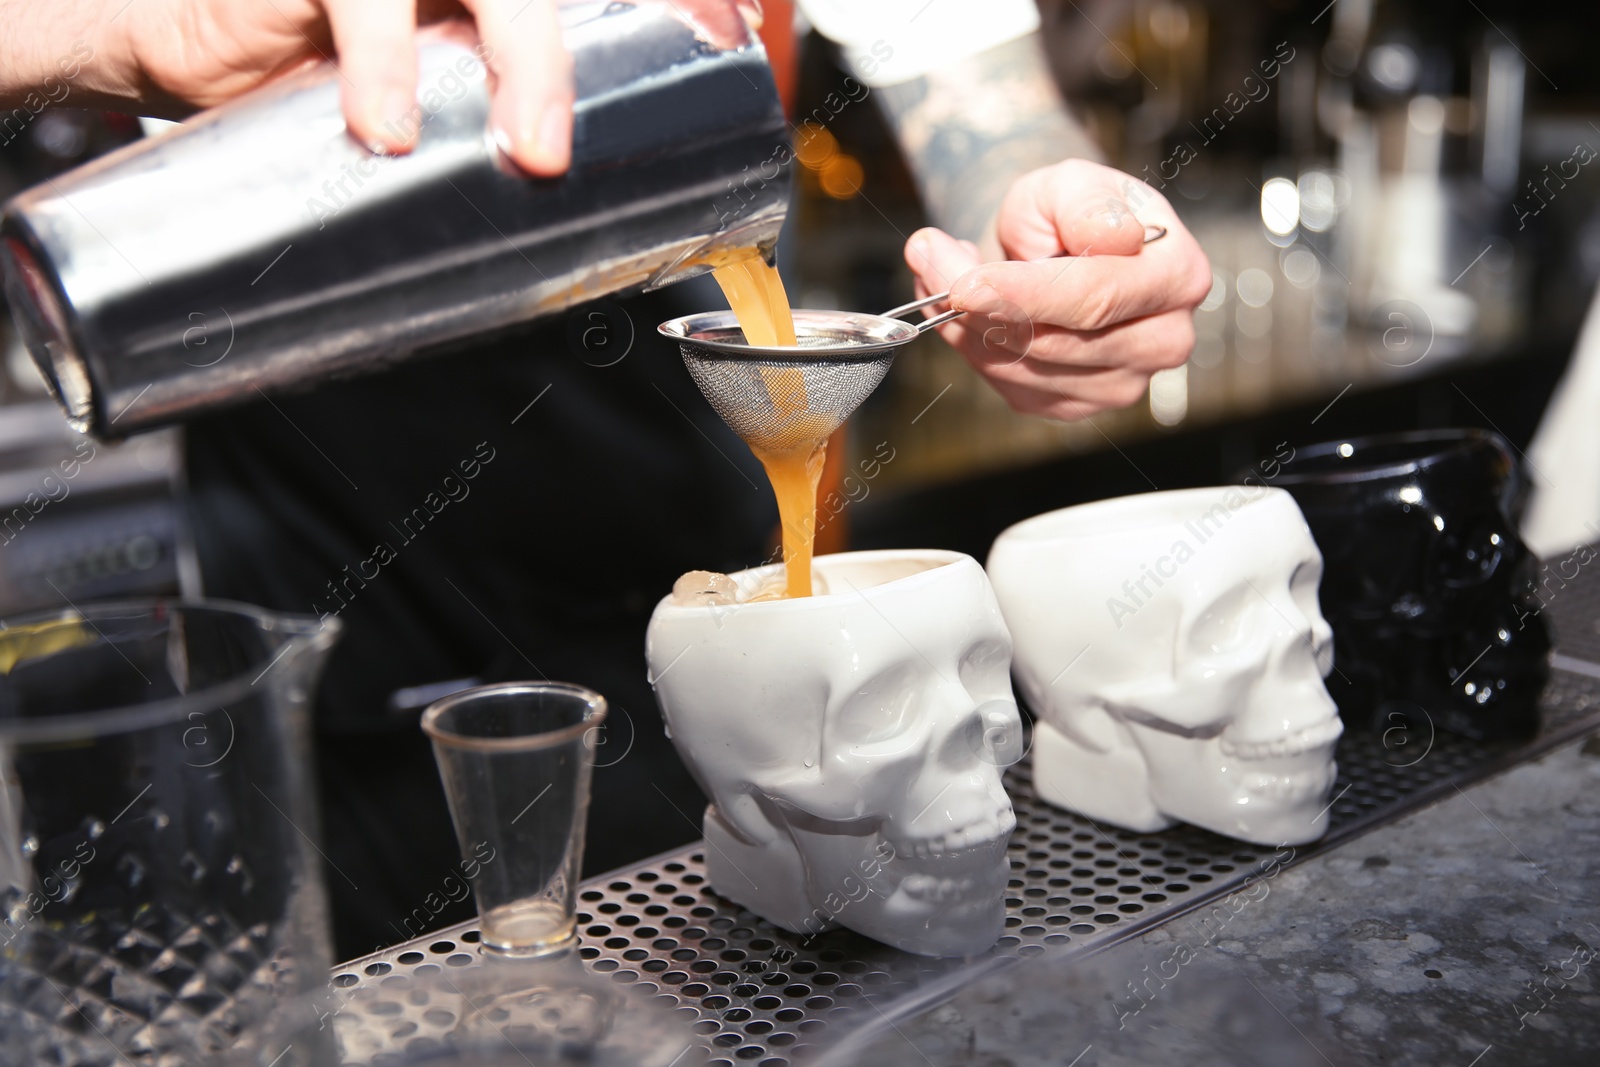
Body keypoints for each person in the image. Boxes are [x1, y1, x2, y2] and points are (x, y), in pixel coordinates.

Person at [0, 0, 1210, 959]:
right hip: (333, 682)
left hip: (707, 695)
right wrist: (107, 24)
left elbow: (997, 133)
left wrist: (1073, 240)